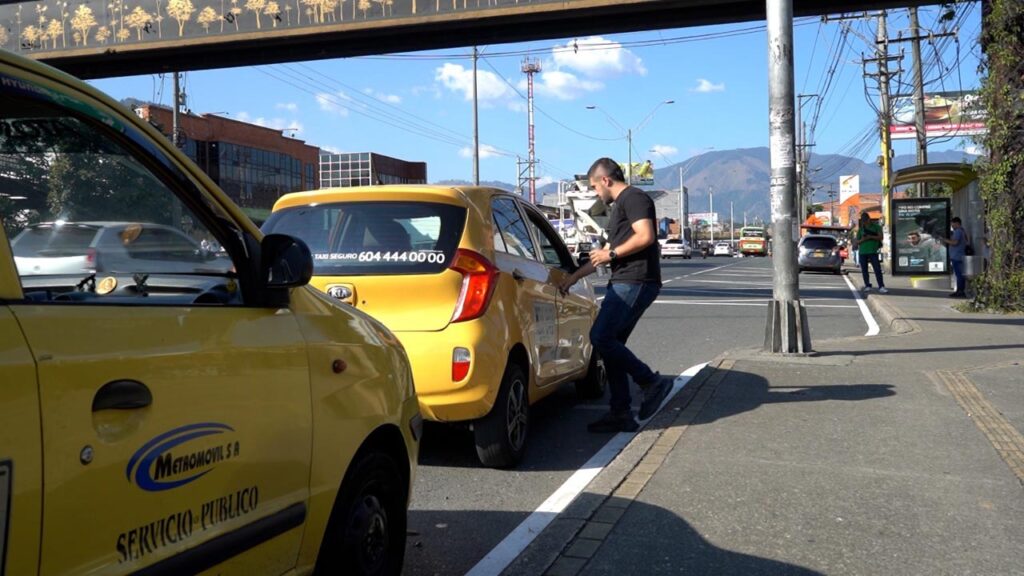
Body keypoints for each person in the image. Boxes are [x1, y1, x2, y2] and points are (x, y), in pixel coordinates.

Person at [559, 157, 670, 433]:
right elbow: (604, 254)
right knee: (612, 346)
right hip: (626, 280)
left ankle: (650, 382)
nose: (596, 193)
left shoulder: (634, 198)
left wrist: (612, 253)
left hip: (636, 281)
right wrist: (573, 277)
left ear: (606, 180)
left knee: (601, 337)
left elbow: (645, 236)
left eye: (596, 187)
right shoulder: (621, 206)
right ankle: (620, 412)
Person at [853, 212, 888, 294]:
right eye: (863, 221)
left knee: (877, 269)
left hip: (873, 251)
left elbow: (881, 237)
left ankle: (881, 286)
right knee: (864, 270)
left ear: (869, 219)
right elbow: (856, 242)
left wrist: (870, 237)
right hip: (863, 252)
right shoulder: (861, 229)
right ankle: (867, 285)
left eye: (866, 221)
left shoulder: (876, 227)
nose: (865, 223)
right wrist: (863, 240)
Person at [942, 216, 968, 298]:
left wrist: (944, 240)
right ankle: (960, 290)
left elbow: (955, 242)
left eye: (953, 225)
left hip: (957, 257)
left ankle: (960, 291)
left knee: (959, 275)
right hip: (958, 256)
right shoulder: (962, 231)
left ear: (957, 223)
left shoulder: (958, 231)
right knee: (959, 274)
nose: (952, 226)